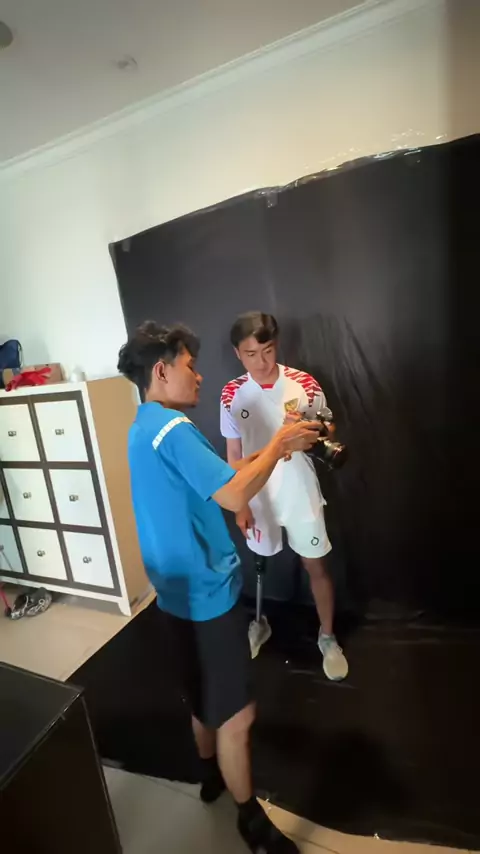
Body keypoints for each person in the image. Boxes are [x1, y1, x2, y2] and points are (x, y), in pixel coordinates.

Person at [118, 320, 320, 854]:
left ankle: (210, 773)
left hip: (174, 591)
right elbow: (233, 496)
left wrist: (275, 447)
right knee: (238, 715)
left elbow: (221, 476)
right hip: (208, 595)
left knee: (201, 693)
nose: (200, 376)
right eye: (190, 365)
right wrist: (279, 446)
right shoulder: (174, 430)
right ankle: (251, 821)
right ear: (162, 371)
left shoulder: (145, 425)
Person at [220, 311, 348, 681]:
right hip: (257, 494)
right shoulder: (231, 393)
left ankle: (328, 637)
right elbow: (233, 453)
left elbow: (329, 427)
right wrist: (240, 504)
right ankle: (260, 622)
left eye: (268, 351)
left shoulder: (303, 384)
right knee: (259, 560)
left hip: (299, 491)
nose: (261, 362)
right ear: (237, 353)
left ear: (276, 346)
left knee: (315, 565)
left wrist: (313, 429)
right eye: (250, 354)